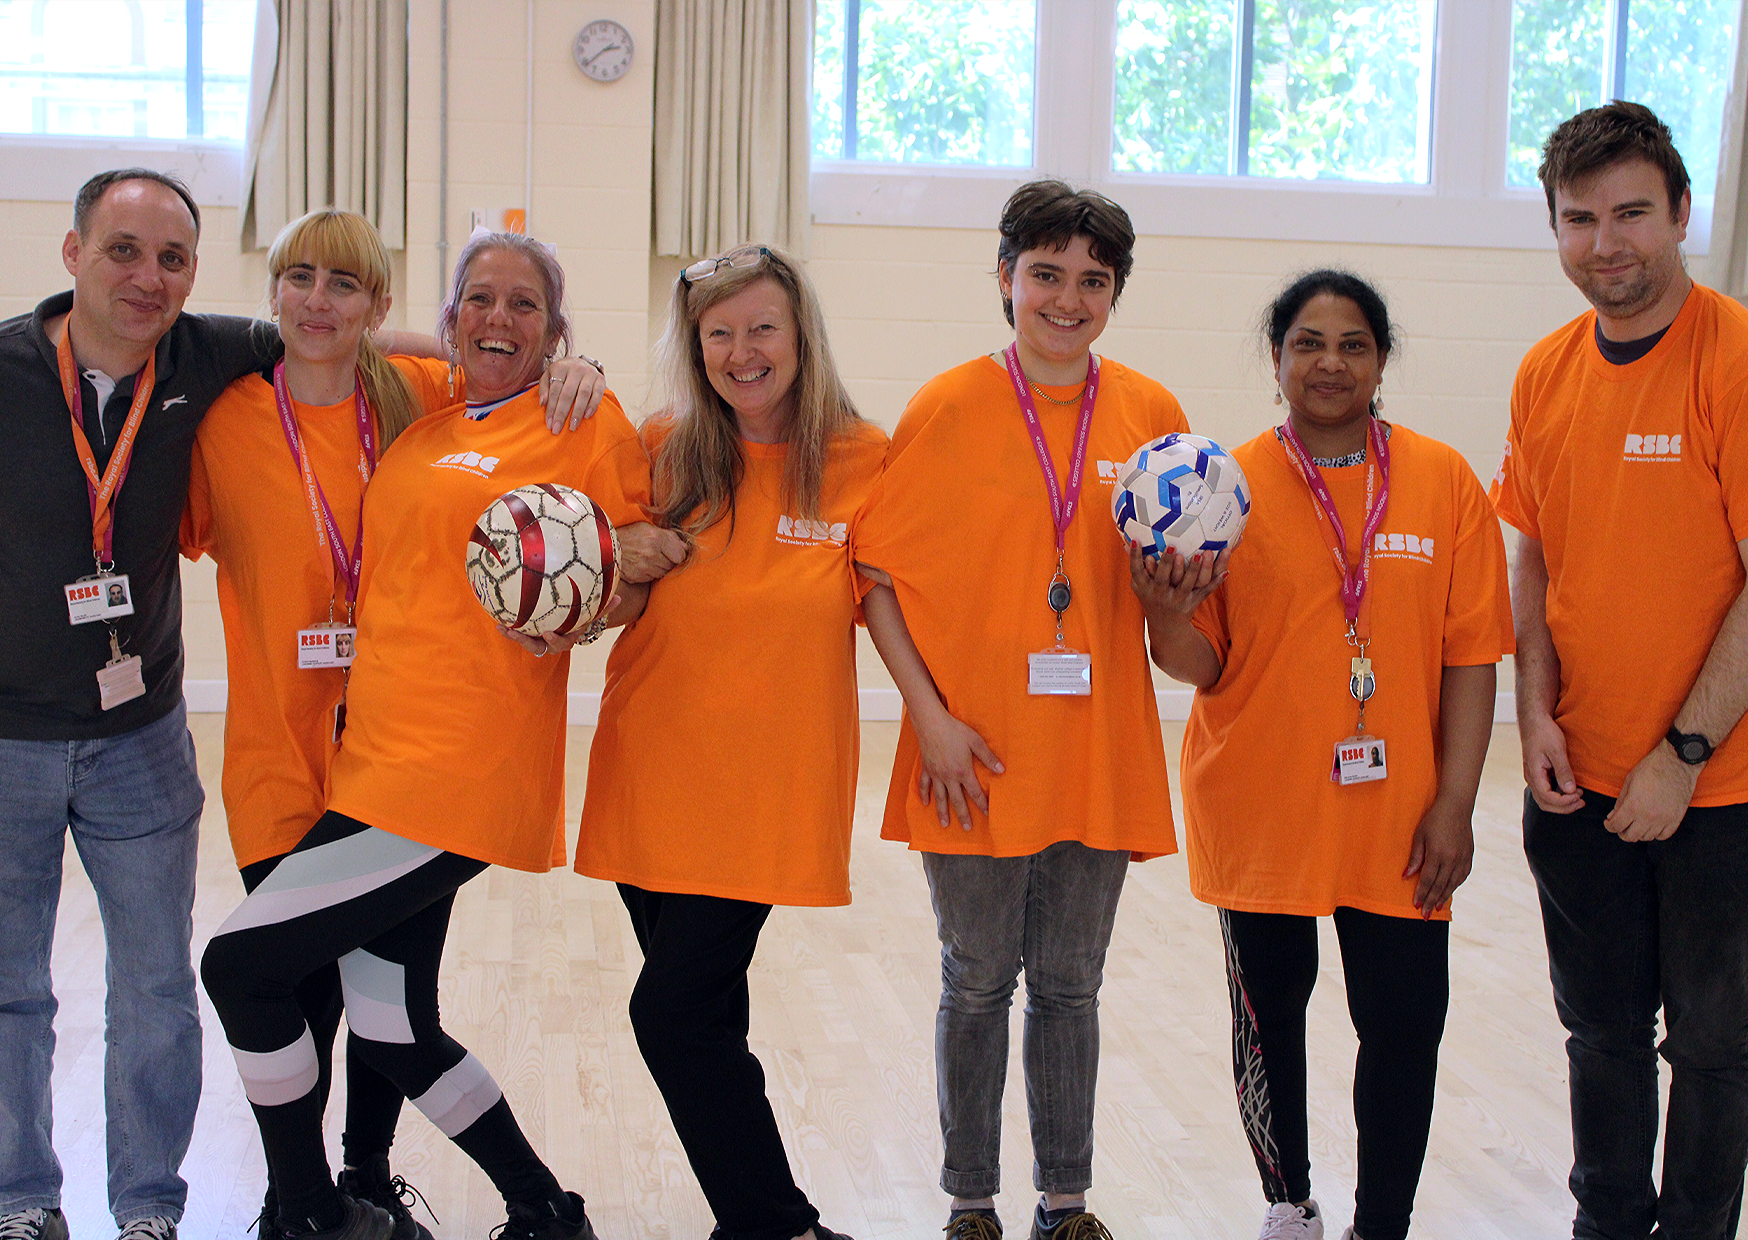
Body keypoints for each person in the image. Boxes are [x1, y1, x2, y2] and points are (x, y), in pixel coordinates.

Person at [199, 229, 670, 1240]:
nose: (500, 319)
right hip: (369, 755)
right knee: (390, 1023)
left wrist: (603, 574)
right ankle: (546, 1212)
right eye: (479, 301)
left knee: (241, 968)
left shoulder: (582, 418)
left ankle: (315, 1216)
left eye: (525, 306)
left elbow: (630, 575)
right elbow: (344, 333)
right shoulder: (426, 413)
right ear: (449, 318)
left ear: (557, 332)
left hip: (453, 765)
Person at [1141, 270, 1512, 1240]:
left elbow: (1472, 660)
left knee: (1401, 1026)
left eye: (1351, 343)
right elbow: (1199, 661)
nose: (1329, 362)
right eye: (1307, 342)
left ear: (1381, 360)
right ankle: (1289, 1203)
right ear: (1275, 361)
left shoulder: (1442, 481)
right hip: (1256, 797)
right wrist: (1162, 609)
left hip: (1399, 814)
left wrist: (1455, 804)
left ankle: (1379, 1221)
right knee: (1270, 1018)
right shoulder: (1221, 487)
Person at [853, 181, 1184, 1240]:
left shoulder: (1150, 414)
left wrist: (1177, 583)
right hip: (971, 749)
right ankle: (969, 1200)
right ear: (1004, 279)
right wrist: (927, 719)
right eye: (1045, 273)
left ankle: (1066, 1200)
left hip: (1093, 747)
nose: (1067, 298)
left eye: (1093, 280)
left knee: (1072, 987)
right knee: (978, 979)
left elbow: (1170, 582)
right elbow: (873, 575)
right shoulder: (948, 406)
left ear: (1114, 294)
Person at [0, 167, 297, 1240]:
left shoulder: (208, 352)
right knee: (12, 992)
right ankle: (22, 1199)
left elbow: (340, 335)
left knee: (159, 989)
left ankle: (147, 1206)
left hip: (140, 739)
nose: (148, 276)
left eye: (172, 257)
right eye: (124, 250)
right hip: (8, 741)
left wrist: (545, 364)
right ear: (73, 254)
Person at [574, 243, 884, 1240]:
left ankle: (776, 1223)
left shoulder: (864, 459)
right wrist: (619, 556)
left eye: (762, 329)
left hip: (763, 790)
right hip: (651, 769)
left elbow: (902, 609)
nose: (742, 353)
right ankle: (750, 1217)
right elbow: (604, 606)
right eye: (719, 334)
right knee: (707, 1019)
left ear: (801, 336)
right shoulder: (665, 447)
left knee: (669, 1015)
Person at [1492, 101, 1748, 1240]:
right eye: (1578, 218)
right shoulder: (1543, 372)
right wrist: (1531, 711)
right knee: (1596, 1036)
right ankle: (1604, 1224)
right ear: (1552, 228)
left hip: (1720, 792)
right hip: (1577, 780)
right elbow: (1535, 548)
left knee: (1711, 1045)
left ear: (1681, 213)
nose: (1606, 242)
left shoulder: (1734, 359)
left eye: (1631, 213)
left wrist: (1680, 755)